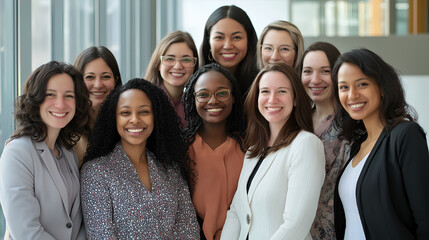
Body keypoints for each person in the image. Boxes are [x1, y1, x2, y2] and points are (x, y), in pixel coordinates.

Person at [80, 78, 200, 239]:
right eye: (125, 113)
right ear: (114, 118)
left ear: (155, 116)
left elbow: (189, 230)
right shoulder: (96, 172)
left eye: (144, 111)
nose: (135, 119)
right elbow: (102, 235)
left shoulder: (171, 169)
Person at [332, 48, 429, 239]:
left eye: (362, 84)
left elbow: (425, 218)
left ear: (382, 87)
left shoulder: (405, 135)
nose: (352, 95)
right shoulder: (357, 146)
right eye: (344, 87)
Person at [221, 63, 325, 239]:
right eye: (265, 91)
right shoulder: (254, 150)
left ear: (296, 99)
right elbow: (236, 212)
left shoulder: (306, 144)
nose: (272, 99)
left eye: (282, 91)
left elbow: (295, 225)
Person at [0, 61, 89, 239]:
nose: (60, 104)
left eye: (69, 96)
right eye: (50, 94)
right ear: (36, 99)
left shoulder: (68, 152)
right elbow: (26, 232)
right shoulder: (17, 152)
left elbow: (77, 222)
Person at [183, 63, 245, 240]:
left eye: (222, 93)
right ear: (193, 99)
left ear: (233, 97)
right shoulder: (181, 149)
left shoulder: (249, 147)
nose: (212, 101)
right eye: (203, 94)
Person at [300, 41, 349, 239]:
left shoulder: (353, 125)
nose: (315, 79)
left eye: (325, 71)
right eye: (308, 71)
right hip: (299, 229)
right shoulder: (297, 122)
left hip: (341, 228)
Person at [73, 46, 122, 162]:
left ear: (115, 81)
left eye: (106, 77)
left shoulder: (126, 121)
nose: (98, 85)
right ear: (78, 81)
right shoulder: (67, 128)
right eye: (90, 77)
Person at [200, 5, 258, 95]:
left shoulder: (262, 83)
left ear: (249, 40)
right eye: (219, 37)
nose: (227, 46)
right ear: (208, 42)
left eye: (236, 37)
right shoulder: (196, 81)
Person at [145, 30, 199, 128]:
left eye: (186, 59)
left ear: (194, 65)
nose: (178, 66)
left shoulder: (199, 102)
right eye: (170, 59)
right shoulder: (144, 99)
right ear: (158, 64)